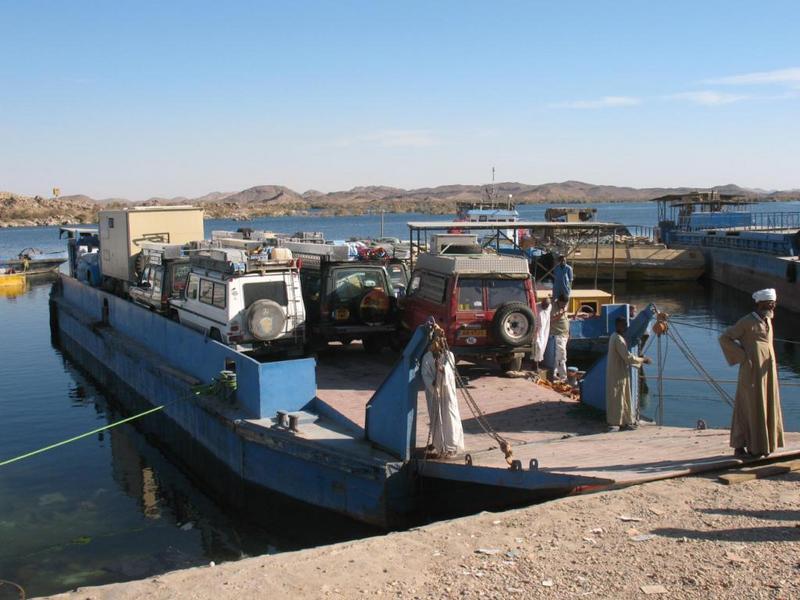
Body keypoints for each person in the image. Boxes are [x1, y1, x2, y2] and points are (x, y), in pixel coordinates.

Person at [718, 288, 784, 457]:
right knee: (748, 406)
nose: (772, 306)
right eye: (769, 303)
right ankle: (741, 446)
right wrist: (743, 356)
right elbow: (725, 338)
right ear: (760, 304)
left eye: (773, 303)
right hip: (751, 372)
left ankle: (764, 445)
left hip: (767, 373)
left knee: (767, 405)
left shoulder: (768, 320)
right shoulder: (747, 322)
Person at [421, 336, 465, 458]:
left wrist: (442, 370)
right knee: (436, 417)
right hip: (434, 393)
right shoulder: (427, 358)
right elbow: (425, 374)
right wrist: (432, 384)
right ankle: (439, 444)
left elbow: (450, 371)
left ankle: (452, 445)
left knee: (450, 416)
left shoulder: (449, 355)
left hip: (447, 392)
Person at [606, 317, 652, 430]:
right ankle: (616, 422)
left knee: (623, 397)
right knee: (619, 398)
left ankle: (625, 421)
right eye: (624, 325)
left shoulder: (613, 336)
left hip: (618, 372)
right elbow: (627, 358)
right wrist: (643, 360)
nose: (626, 328)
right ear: (618, 325)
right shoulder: (619, 339)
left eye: (626, 325)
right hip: (618, 374)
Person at [550, 296, 570, 381]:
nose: (564, 305)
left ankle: (555, 375)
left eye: (565, 304)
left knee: (558, 357)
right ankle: (563, 377)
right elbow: (550, 321)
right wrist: (560, 314)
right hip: (558, 335)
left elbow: (566, 320)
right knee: (561, 357)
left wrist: (569, 333)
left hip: (564, 335)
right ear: (559, 301)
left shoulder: (564, 307)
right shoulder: (553, 308)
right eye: (563, 303)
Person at [531, 296, 552, 369]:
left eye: (547, 305)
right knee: (537, 347)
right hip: (536, 330)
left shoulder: (549, 307)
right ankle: (535, 365)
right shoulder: (536, 307)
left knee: (541, 348)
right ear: (542, 303)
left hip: (544, 331)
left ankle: (536, 364)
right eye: (544, 305)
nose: (545, 306)